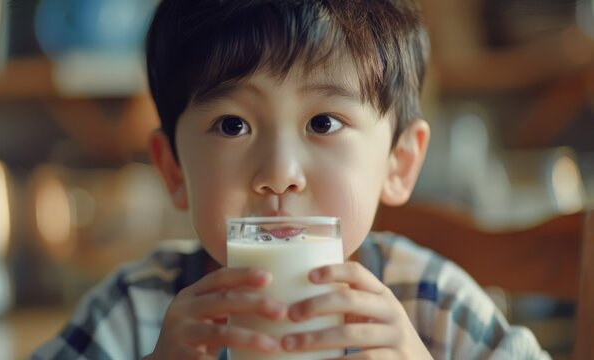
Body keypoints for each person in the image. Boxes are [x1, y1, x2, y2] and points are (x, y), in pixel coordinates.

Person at [31, 0, 550, 359]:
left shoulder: (431, 302)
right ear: (173, 169)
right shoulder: (137, 308)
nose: (279, 175)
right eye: (232, 125)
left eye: (323, 123)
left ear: (399, 163)